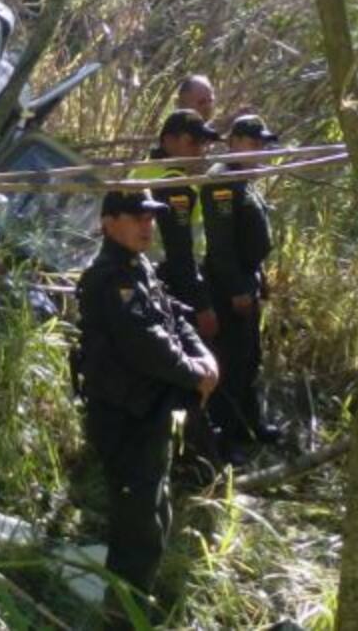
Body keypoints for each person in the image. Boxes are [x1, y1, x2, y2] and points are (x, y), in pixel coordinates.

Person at [75, 189, 219, 626]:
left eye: (151, 217)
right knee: (138, 529)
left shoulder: (138, 269)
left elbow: (174, 316)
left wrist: (204, 359)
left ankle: (136, 606)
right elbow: (146, 344)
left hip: (147, 413)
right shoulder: (110, 277)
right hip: (123, 417)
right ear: (109, 221)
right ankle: (124, 617)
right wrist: (196, 375)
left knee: (153, 515)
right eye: (136, 217)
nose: (146, 225)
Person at [201, 115, 282, 461]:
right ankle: (223, 439)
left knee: (249, 359)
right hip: (225, 287)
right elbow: (220, 245)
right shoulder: (222, 181)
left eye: (262, 143)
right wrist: (237, 289)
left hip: (246, 279)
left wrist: (258, 277)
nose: (260, 149)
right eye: (253, 142)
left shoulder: (245, 181)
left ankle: (250, 425)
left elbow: (250, 239)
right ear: (233, 141)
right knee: (230, 363)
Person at [131, 109, 220, 340]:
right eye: (192, 143)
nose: (199, 152)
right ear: (168, 141)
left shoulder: (145, 169)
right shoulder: (174, 184)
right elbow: (179, 250)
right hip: (171, 282)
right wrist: (202, 305)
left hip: (142, 275)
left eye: (202, 144)